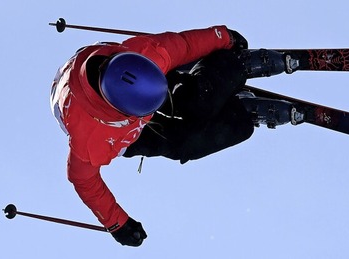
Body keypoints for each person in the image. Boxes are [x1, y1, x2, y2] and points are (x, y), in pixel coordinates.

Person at [50, 25, 289, 247]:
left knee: (192, 100)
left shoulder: (147, 53)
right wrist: (117, 223)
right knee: (183, 144)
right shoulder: (90, 141)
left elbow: (184, 44)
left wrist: (224, 38)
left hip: (127, 74)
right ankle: (240, 112)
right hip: (114, 130)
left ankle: (234, 66)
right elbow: (83, 181)